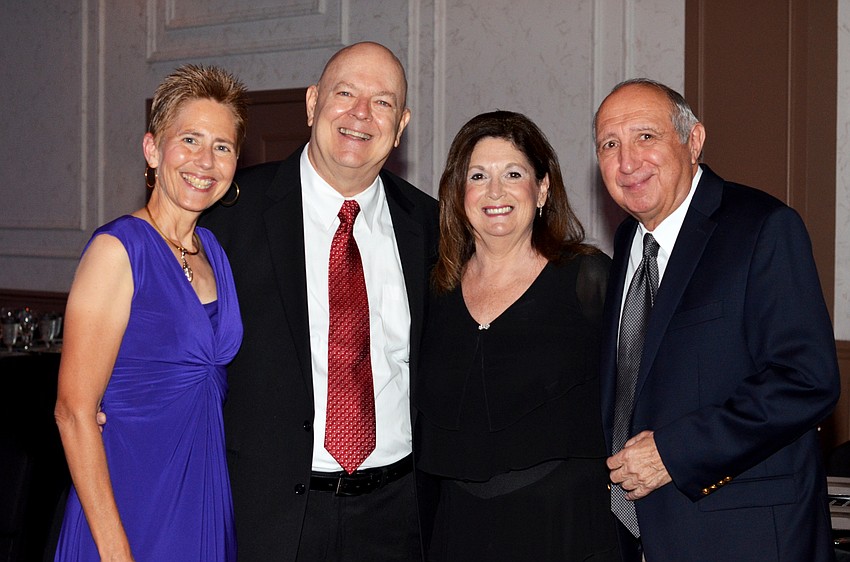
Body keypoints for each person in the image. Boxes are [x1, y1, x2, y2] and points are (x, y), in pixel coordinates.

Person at [200, 42, 439, 561]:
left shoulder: (432, 226)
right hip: (269, 516)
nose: (361, 114)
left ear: (401, 125)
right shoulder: (228, 216)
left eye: (383, 102)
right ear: (312, 104)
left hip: (399, 516)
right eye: (345, 93)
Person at [594, 78, 840, 561]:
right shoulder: (626, 243)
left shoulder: (763, 227)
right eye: (609, 144)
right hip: (646, 535)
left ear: (694, 141)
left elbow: (807, 381)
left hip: (745, 537)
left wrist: (675, 452)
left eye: (646, 136)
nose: (627, 162)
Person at [53, 64, 247, 561]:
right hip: (129, 506)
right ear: (153, 149)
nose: (205, 161)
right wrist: (116, 550)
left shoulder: (214, 254)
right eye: (189, 139)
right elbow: (74, 412)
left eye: (222, 147)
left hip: (202, 499)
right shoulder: (119, 250)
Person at [413, 111, 620, 561]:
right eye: (478, 175)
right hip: (456, 528)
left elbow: (644, 392)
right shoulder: (431, 291)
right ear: (457, 192)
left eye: (513, 174)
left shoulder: (589, 279)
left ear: (542, 188)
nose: (495, 192)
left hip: (564, 529)